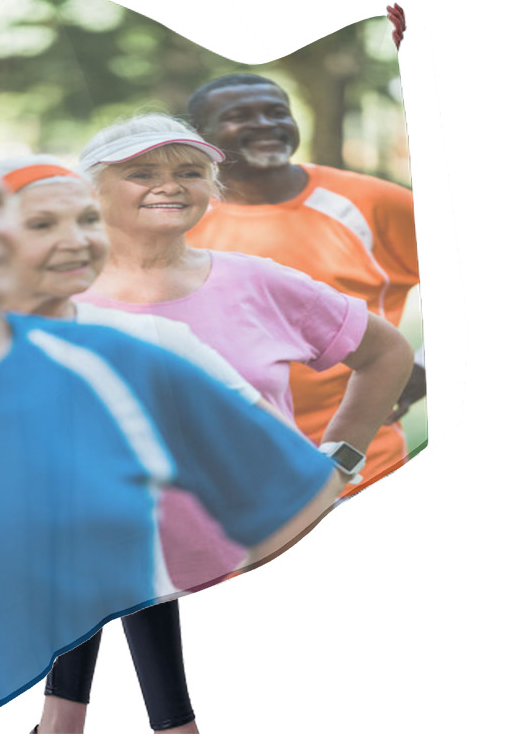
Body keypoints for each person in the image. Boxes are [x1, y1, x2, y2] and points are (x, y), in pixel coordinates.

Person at [0, 128, 355, 722]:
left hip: (162, 528)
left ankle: (113, 721)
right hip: (80, 535)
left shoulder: (135, 347)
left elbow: (273, 463)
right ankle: (87, 718)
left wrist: (334, 463)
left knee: (109, 543)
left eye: (84, 222)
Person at [34, 113, 414, 733]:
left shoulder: (257, 281)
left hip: (257, 547)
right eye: (143, 173)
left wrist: (339, 461)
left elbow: (387, 353)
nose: (172, 185)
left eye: (190, 172)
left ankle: (65, 722)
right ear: (93, 190)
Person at [185, 74, 425, 492]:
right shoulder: (177, 215)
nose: (264, 123)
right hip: (220, 475)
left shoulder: (371, 204)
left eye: (277, 112)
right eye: (239, 116)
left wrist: (423, 364)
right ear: (199, 137)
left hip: (360, 466)